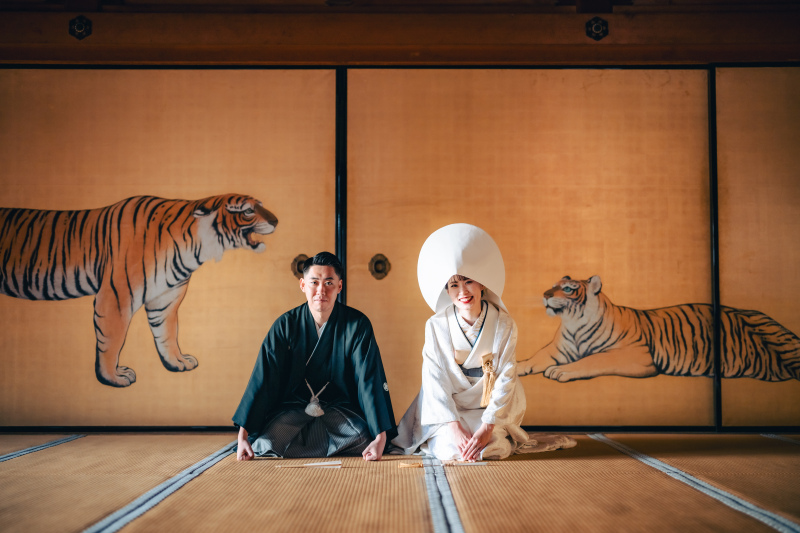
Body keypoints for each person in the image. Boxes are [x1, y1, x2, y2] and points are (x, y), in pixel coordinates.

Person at [392, 224, 575, 461]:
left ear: (482, 283)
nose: (462, 292)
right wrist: (454, 428)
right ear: (447, 291)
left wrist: (488, 426)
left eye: (468, 281)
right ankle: (452, 433)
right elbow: (434, 379)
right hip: (450, 411)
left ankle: (491, 432)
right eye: (453, 285)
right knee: (451, 450)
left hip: (487, 410)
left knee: (492, 448)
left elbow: (507, 376)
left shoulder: (503, 324)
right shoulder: (436, 326)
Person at [233, 252, 396, 462]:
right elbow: (263, 378)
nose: (321, 290)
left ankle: (305, 446)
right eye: (314, 282)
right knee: (265, 442)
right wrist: (243, 435)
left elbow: (369, 380)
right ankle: (326, 446)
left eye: (329, 282)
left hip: (339, 410)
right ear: (303, 285)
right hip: (293, 409)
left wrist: (380, 436)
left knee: (364, 436)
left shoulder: (357, 324)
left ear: (339, 286)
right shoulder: (285, 325)